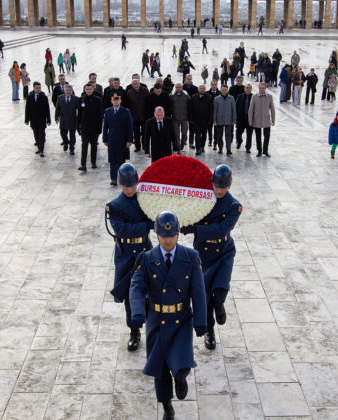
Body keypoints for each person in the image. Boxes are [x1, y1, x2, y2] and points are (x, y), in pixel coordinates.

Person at [129, 211, 206, 420]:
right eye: (164, 236)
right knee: (160, 370)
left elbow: (198, 291)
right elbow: (136, 286)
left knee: (181, 363)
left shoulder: (190, 257)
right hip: (157, 321)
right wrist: (137, 313)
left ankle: (181, 378)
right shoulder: (146, 259)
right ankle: (167, 407)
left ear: (179, 234)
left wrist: (201, 322)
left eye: (172, 236)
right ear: (157, 235)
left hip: (181, 320)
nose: (168, 240)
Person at [181, 165, 240, 350]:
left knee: (220, 289)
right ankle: (209, 331)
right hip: (203, 254)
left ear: (229, 186)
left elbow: (221, 229)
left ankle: (220, 304)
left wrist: (195, 229)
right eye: (216, 186)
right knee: (203, 296)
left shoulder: (234, 206)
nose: (219, 190)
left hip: (223, 251)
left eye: (223, 187)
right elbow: (188, 213)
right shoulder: (202, 200)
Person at [106, 163, 154, 352]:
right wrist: (147, 226)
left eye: (133, 185)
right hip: (126, 255)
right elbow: (122, 230)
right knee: (128, 294)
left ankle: (153, 325)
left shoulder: (145, 200)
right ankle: (134, 331)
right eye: (126, 185)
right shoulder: (115, 206)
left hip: (145, 249)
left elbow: (154, 217)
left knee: (151, 289)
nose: (130, 189)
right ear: (119, 184)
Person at [103, 93, 134, 185]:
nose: (116, 101)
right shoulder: (107, 111)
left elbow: (130, 126)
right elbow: (105, 126)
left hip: (122, 138)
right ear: (111, 101)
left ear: (120, 101)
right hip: (112, 138)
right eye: (114, 100)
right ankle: (113, 179)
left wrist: (129, 140)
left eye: (117, 100)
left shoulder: (126, 111)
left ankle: (121, 178)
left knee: (121, 160)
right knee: (112, 160)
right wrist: (105, 138)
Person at [77, 84, 104, 171]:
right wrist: (78, 127)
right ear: (85, 90)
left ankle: (93, 162)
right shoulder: (81, 99)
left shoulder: (97, 100)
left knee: (94, 146)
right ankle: (83, 164)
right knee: (84, 145)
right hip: (84, 127)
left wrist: (99, 128)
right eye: (87, 89)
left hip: (94, 127)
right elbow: (79, 114)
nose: (88, 90)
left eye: (90, 89)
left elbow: (100, 115)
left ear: (93, 90)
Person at [248, 82, 276, 157]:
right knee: (258, 136)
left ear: (265, 89)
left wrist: (273, 119)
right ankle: (259, 151)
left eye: (263, 88)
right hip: (257, 119)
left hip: (266, 119)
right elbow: (251, 109)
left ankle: (265, 150)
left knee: (267, 136)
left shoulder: (269, 97)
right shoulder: (254, 96)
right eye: (260, 88)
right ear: (258, 88)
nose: (261, 90)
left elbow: (272, 109)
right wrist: (250, 120)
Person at [25, 82, 51, 157]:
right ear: (33, 88)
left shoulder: (44, 97)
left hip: (42, 120)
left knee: (41, 135)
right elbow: (27, 109)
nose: (38, 89)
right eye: (37, 88)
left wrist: (48, 120)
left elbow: (47, 109)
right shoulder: (30, 97)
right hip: (33, 120)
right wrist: (27, 119)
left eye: (39, 88)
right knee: (36, 135)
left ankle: (41, 150)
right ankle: (39, 148)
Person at [190, 84, 213, 155]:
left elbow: (211, 109)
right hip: (196, 120)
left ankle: (202, 146)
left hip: (205, 120)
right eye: (200, 88)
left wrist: (210, 119)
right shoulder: (194, 97)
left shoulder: (209, 97)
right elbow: (191, 109)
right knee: (197, 135)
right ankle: (198, 149)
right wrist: (191, 119)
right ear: (198, 89)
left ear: (205, 89)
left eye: (203, 88)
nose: (202, 89)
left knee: (204, 135)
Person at [55, 84, 79, 153]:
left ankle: (72, 148)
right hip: (63, 119)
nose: (68, 92)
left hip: (72, 119)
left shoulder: (76, 99)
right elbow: (57, 108)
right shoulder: (60, 98)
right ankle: (66, 143)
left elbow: (79, 110)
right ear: (64, 91)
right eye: (67, 90)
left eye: (69, 90)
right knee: (63, 134)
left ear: (72, 91)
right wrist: (56, 117)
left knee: (72, 135)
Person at [213, 85, 236, 155]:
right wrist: (214, 120)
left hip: (229, 120)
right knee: (219, 135)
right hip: (219, 120)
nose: (224, 91)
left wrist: (234, 120)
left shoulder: (231, 98)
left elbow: (234, 110)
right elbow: (215, 110)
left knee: (228, 135)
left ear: (227, 90)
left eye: (225, 90)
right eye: (222, 90)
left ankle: (228, 149)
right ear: (220, 90)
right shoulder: (216, 99)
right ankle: (220, 148)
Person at [170, 83, 191, 150]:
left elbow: (189, 105)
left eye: (180, 87)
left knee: (184, 133)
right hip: (175, 118)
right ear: (175, 88)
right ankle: (177, 147)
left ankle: (182, 143)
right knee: (176, 134)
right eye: (177, 87)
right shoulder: (172, 95)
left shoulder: (186, 95)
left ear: (182, 87)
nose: (178, 88)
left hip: (184, 117)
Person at [235, 84, 254, 152]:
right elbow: (236, 107)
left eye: (249, 88)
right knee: (238, 132)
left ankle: (248, 147)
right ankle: (239, 141)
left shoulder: (253, 97)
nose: (248, 89)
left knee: (249, 134)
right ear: (244, 89)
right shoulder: (240, 96)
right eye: (246, 88)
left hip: (249, 119)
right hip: (241, 118)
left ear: (251, 89)